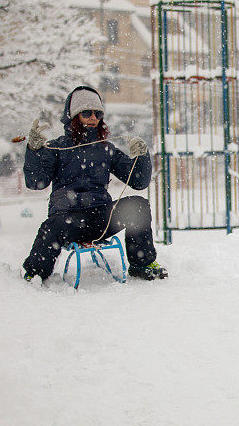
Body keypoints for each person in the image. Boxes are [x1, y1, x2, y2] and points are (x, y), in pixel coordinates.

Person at [21, 85, 168, 283]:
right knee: (51, 226)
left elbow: (139, 182)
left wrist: (141, 157)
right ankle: (35, 273)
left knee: (138, 205)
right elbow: (35, 183)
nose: (93, 118)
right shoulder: (57, 148)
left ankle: (142, 264)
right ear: (73, 116)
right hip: (68, 220)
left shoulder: (106, 149)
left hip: (101, 219)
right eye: (86, 113)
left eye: (98, 113)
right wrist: (34, 151)